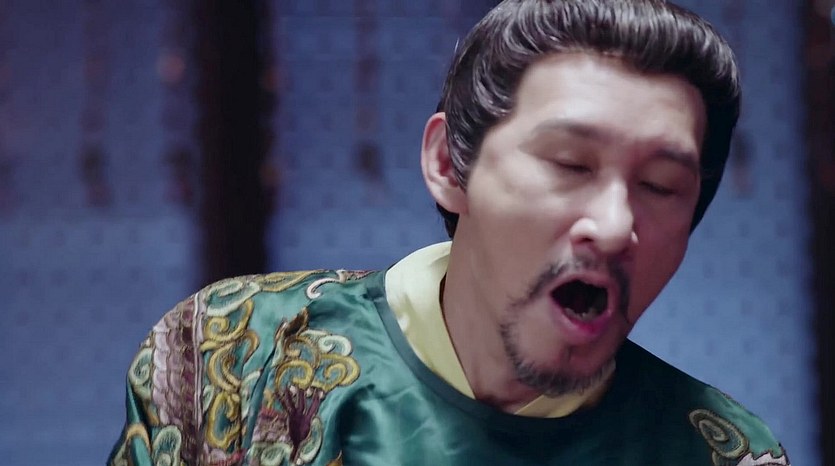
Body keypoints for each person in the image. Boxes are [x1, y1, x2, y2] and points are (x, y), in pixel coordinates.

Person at [109, 0, 791, 464]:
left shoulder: (720, 452)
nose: (616, 227)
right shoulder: (233, 352)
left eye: (660, 186)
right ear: (447, 164)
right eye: (569, 163)